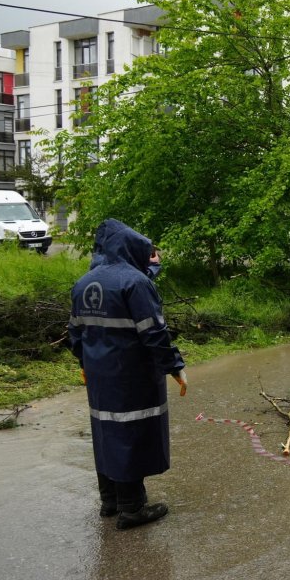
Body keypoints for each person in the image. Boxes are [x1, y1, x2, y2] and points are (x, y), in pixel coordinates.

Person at [68, 219, 187, 530]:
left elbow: (75, 332)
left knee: (106, 432)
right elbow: (154, 333)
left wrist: (85, 363)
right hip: (132, 375)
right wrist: (174, 366)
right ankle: (132, 508)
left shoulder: (84, 283)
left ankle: (110, 500)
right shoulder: (135, 283)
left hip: (99, 376)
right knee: (131, 433)